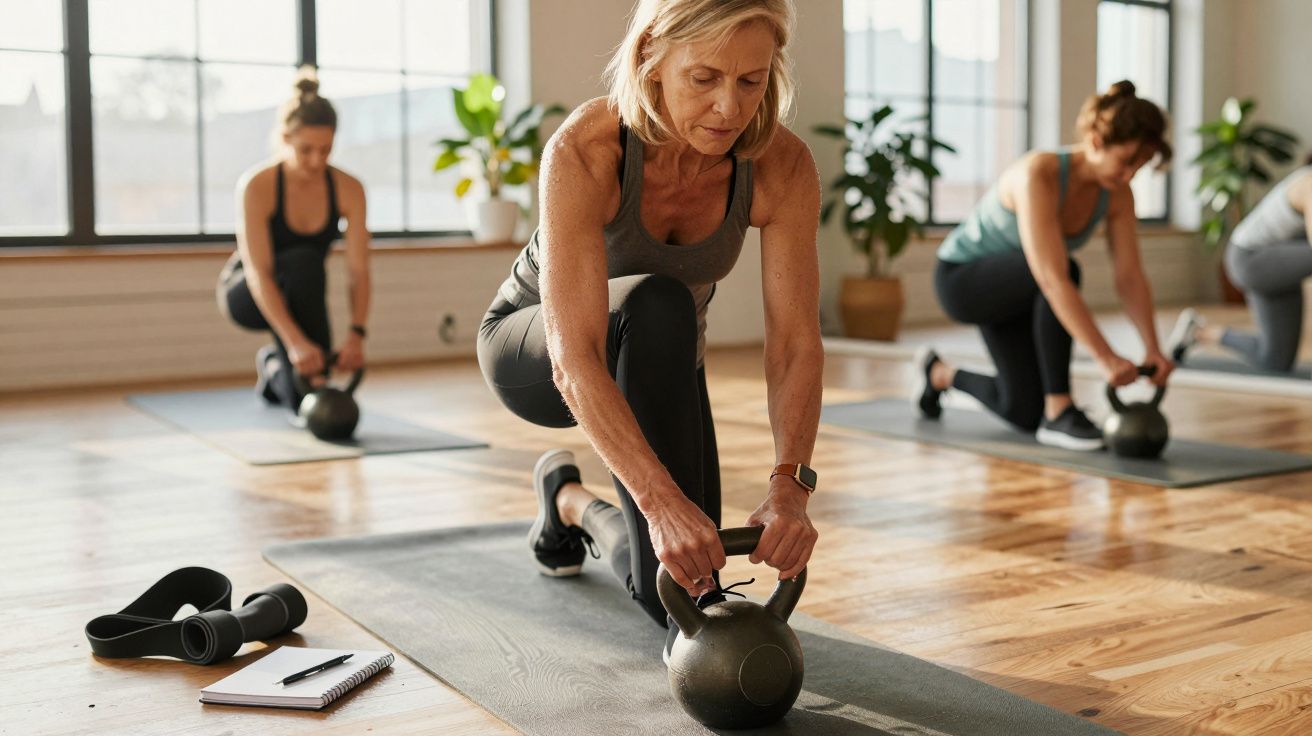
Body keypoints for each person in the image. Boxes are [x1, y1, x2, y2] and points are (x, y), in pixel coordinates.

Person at [475, 0, 821, 658]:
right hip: (534, 351)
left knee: (676, 586)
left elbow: (796, 345)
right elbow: (573, 359)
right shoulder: (587, 149)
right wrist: (661, 504)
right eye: (705, 78)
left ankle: (569, 502)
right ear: (651, 61)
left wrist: (789, 488)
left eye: (751, 81)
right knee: (658, 304)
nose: (729, 107)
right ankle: (606, 503)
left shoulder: (781, 166)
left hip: (661, 359)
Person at [913, 81, 1176, 451]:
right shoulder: (1039, 173)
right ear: (1097, 141)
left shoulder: (1117, 194)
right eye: (1126, 161)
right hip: (964, 280)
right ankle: (1060, 410)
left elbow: (1129, 276)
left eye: (1140, 166)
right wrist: (1106, 358)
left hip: (1019, 290)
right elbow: (1051, 278)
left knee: (1021, 410)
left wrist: (1153, 347)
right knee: (1066, 269)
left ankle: (937, 373)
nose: (1130, 175)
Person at [217, 67, 371, 413]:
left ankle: (274, 370)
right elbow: (260, 274)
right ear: (285, 138)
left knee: (301, 400)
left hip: (302, 290)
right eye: (306, 150)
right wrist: (296, 342)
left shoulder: (350, 189)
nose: (317, 160)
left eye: (326, 149)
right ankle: (288, 361)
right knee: (303, 261)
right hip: (247, 294)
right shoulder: (257, 186)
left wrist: (356, 335)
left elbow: (358, 271)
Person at [1170, 157, 1312, 374]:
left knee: (1275, 362)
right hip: (1250, 259)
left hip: (1279, 268)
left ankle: (1201, 333)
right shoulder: (1309, 183)